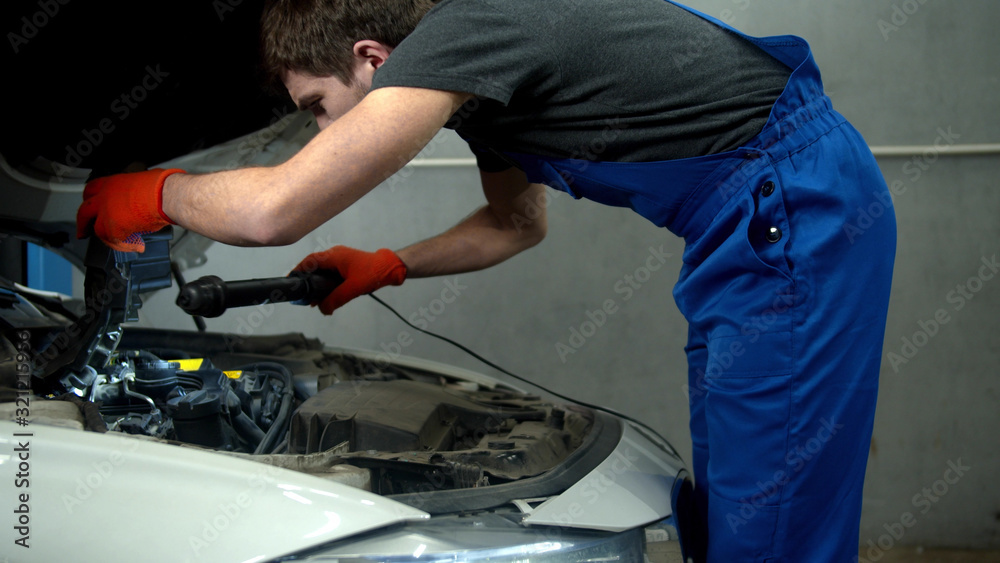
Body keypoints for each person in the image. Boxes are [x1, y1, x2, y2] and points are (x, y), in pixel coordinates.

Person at [76, 0, 897, 560]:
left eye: (320, 105)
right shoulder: (481, 89)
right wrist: (389, 265)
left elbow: (275, 210)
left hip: (793, 206)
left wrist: (154, 190)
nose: (319, 129)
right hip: (755, 223)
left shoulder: (462, 27)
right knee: (738, 505)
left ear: (373, 58)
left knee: (775, 528)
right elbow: (515, 224)